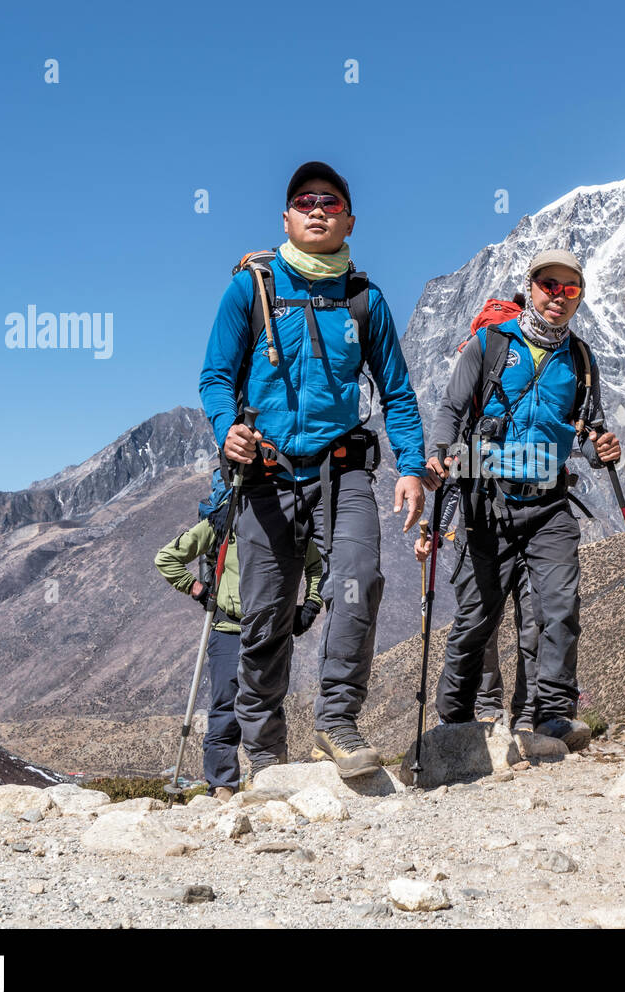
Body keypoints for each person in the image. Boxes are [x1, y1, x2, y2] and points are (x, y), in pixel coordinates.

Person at [199, 161, 427, 780]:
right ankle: (266, 750)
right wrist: (229, 433)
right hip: (265, 476)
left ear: (349, 219)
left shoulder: (364, 299)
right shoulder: (251, 289)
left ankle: (336, 722)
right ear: (287, 218)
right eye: (305, 201)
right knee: (266, 612)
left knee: (357, 580)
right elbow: (216, 377)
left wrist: (412, 468)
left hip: (342, 471)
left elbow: (399, 395)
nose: (318, 209)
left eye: (330, 201)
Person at [426, 250, 620, 751]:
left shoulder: (580, 359)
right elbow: (451, 406)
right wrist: (442, 453)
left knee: (557, 608)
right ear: (530, 286)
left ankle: (553, 715)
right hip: (485, 501)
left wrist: (601, 450)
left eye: (570, 289)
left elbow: (588, 430)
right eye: (549, 285)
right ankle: (454, 717)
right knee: (478, 616)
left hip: (551, 504)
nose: (558, 296)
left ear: (579, 297)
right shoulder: (490, 344)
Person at [154, 472, 325, 800]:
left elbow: (316, 568)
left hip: (272, 629)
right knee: (226, 710)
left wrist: (311, 605)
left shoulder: (287, 522)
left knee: (269, 701)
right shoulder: (221, 524)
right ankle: (223, 787)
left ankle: (270, 775)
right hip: (230, 628)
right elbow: (166, 559)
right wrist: (198, 589)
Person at [414, 482, 538, 725]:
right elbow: (451, 482)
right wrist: (434, 532)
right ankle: (486, 704)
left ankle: (528, 712)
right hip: (480, 531)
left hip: (534, 526)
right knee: (481, 625)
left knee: (535, 622)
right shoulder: (467, 443)